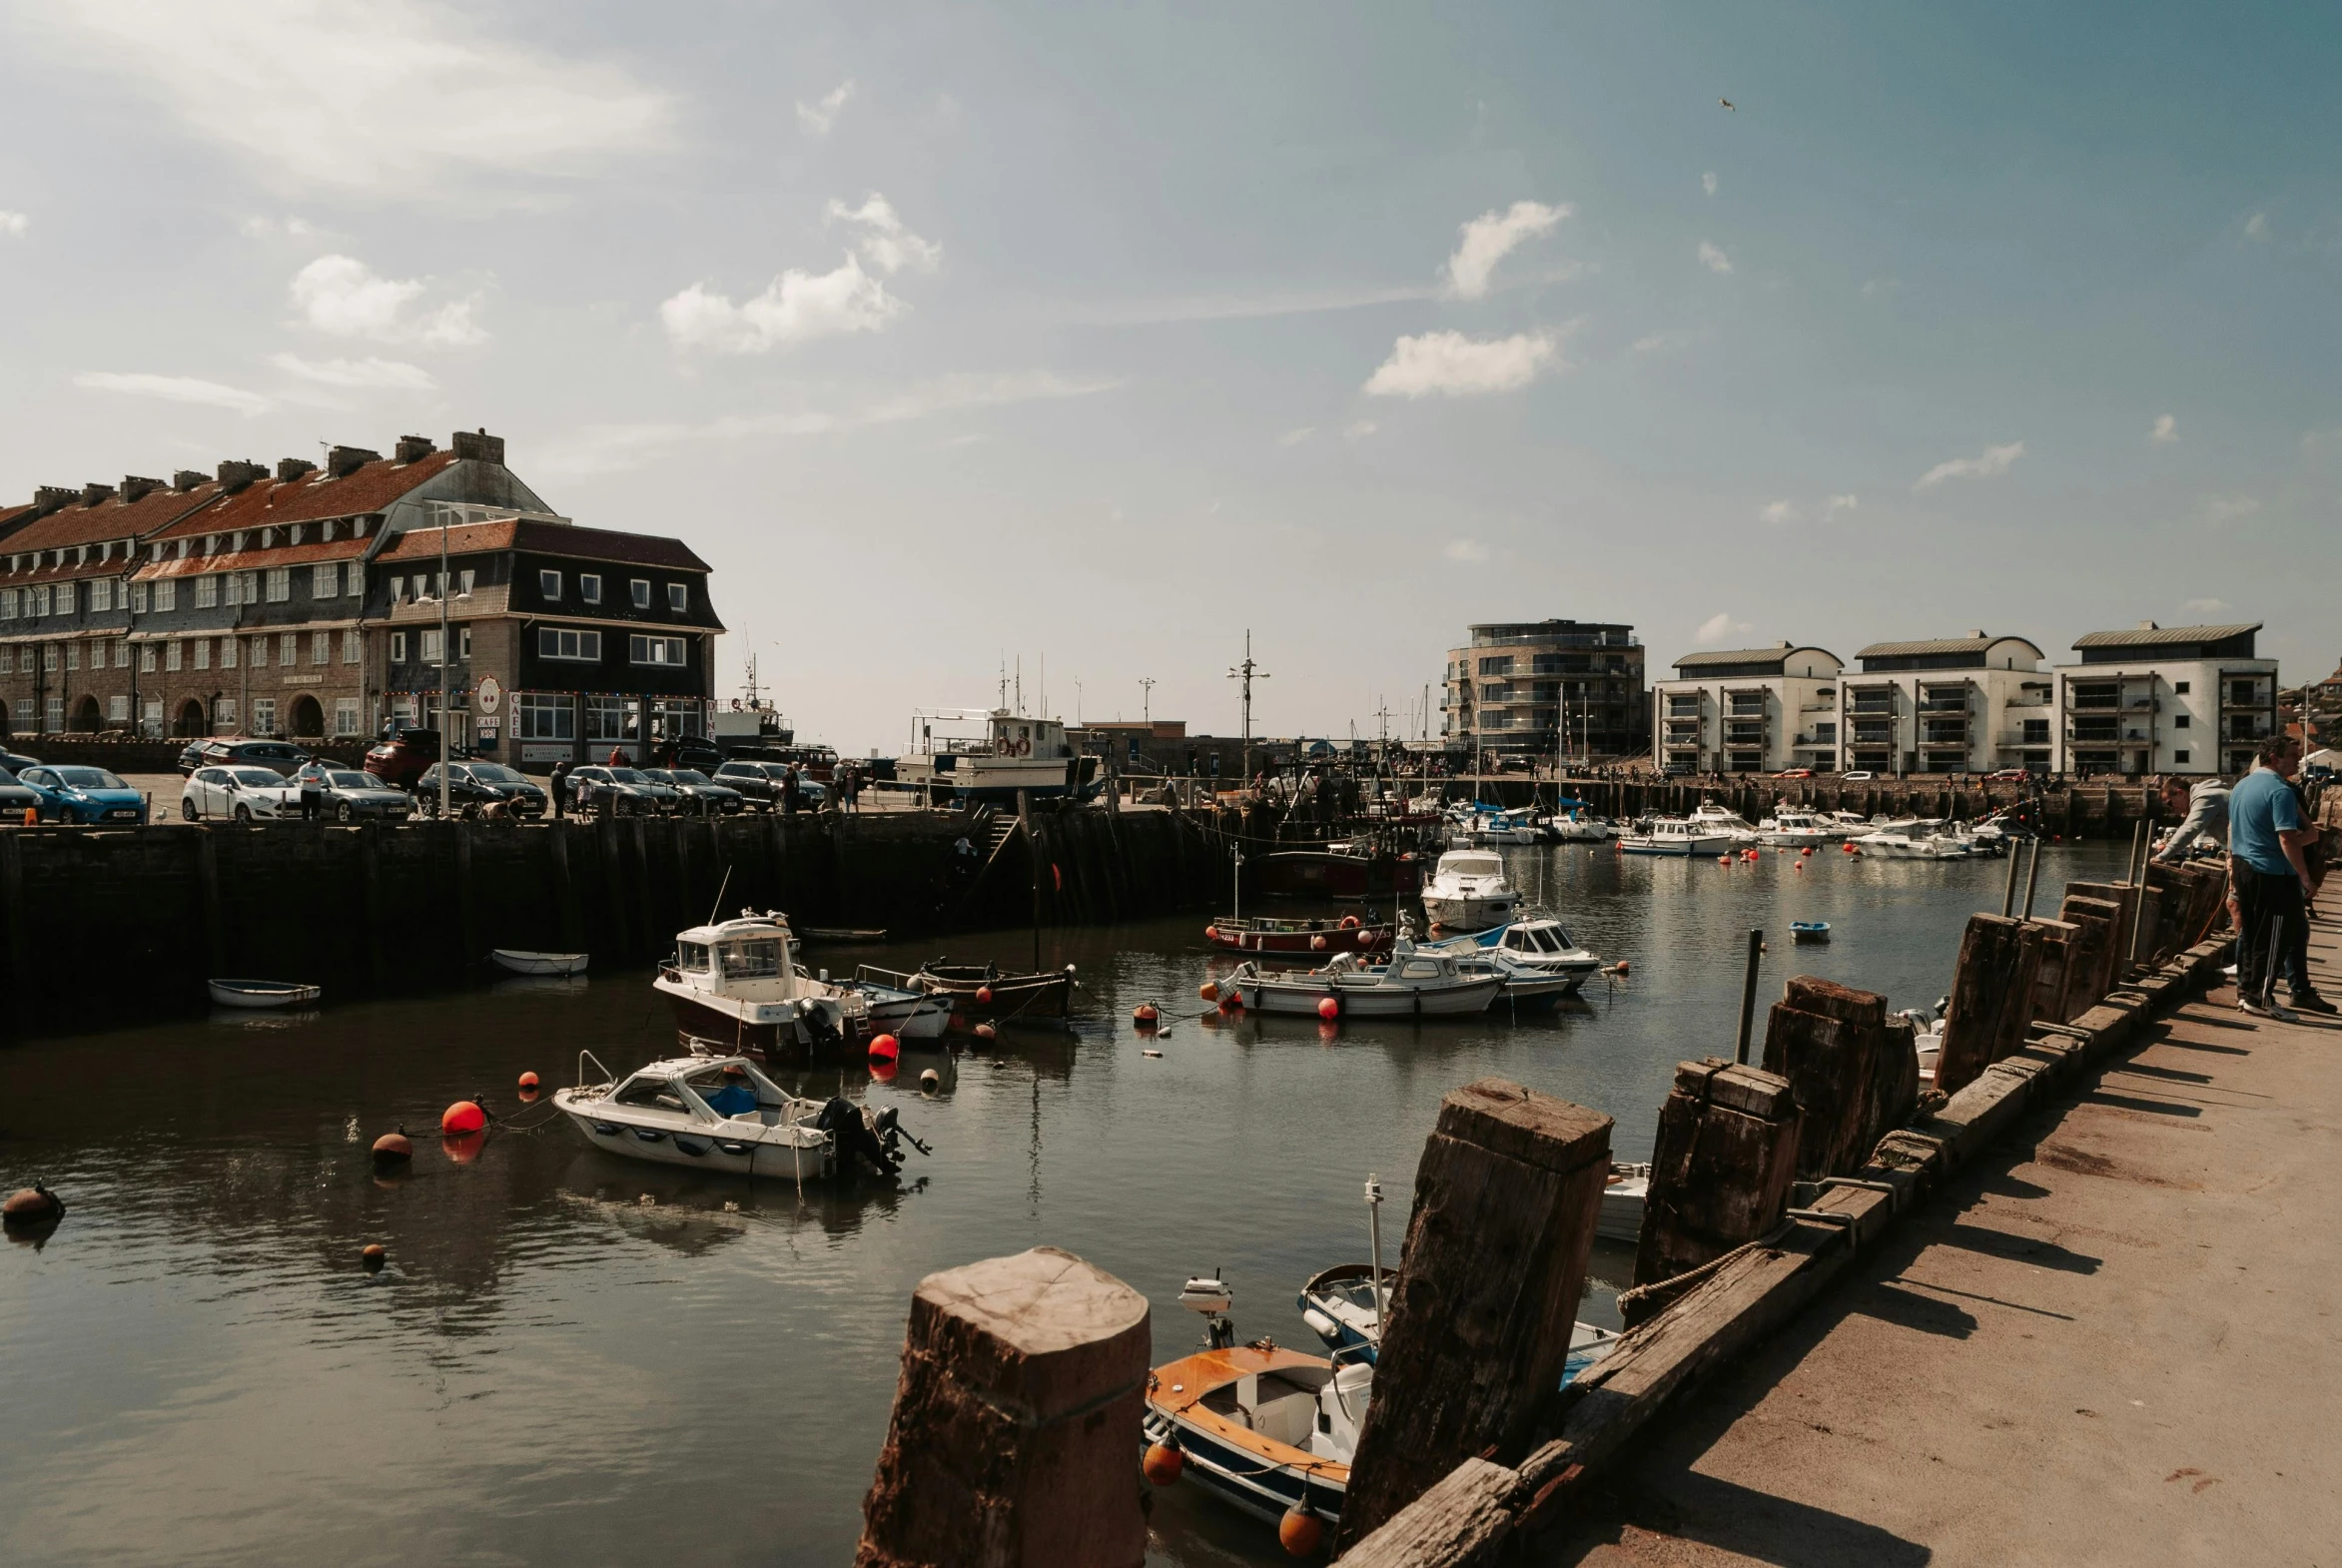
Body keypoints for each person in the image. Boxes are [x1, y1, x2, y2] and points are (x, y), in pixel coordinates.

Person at [2228, 735, 2327, 1019]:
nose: (2298, 760)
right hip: (2272, 872)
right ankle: (2260, 998)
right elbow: (2287, 838)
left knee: (2252, 935)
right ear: (2274, 757)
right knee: (2275, 939)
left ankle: (2247, 993)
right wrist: (2306, 877)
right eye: (2293, 755)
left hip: (2245, 867)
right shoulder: (2280, 791)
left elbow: (2237, 831)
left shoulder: (2241, 786)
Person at [2153, 774, 2230, 863]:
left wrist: (2162, 856)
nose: (2172, 809)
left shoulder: (2205, 797)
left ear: (2180, 793)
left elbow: (2190, 828)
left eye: (2170, 803)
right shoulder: (2206, 795)